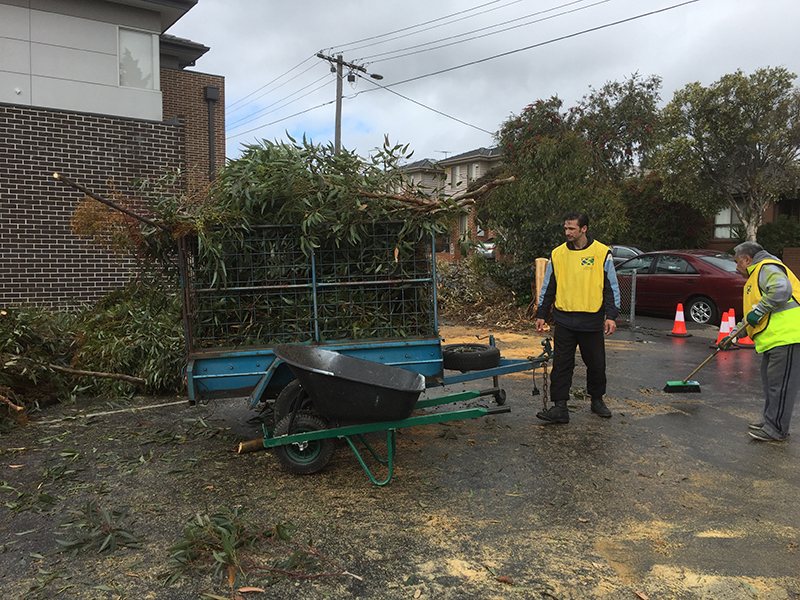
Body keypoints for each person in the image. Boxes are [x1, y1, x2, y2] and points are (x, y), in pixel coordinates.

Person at [534, 212, 620, 424]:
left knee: (596, 364)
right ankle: (559, 407)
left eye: (572, 228)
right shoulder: (558, 254)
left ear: (584, 229)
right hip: (564, 320)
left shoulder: (602, 252)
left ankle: (597, 400)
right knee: (562, 365)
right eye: (566, 228)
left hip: (591, 321)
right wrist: (542, 314)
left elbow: (611, 286)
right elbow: (548, 286)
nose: (567, 232)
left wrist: (611, 315)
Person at [719, 241, 800, 441]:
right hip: (775, 339)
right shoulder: (755, 277)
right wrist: (734, 334)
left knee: (780, 386)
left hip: (788, 336)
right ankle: (770, 421)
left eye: (738, 262)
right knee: (770, 384)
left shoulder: (767, 267)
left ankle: (776, 430)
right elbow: (752, 315)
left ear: (747, 259)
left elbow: (781, 290)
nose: (736, 267)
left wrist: (760, 310)